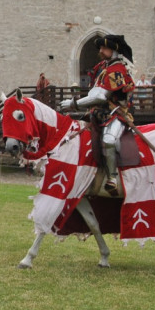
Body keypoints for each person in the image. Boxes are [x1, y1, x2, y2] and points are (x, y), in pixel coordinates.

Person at [60, 34, 135, 192]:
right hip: (98, 113)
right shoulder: (103, 67)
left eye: (104, 48)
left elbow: (101, 97)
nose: (100, 50)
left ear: (114, 51)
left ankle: (112, 178)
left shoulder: (117, 70)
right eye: (100, 48)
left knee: (108, 140)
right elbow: (93, 93)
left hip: (116, 113)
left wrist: (73, 104)